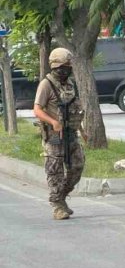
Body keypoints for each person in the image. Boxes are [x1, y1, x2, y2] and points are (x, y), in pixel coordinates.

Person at [33, 48, 85, 221]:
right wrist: (53, 122)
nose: (66, 69)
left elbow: (75, 108)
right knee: (55, 171)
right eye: (63, 65)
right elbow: (37, 110)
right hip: (54, 136)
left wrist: (82, 131)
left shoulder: (70, 84)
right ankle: (57, 206)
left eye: (68, 65)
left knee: (77, 166)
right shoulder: (46, 84)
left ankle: (61, 197)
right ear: (55, 66)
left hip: (71, 134)